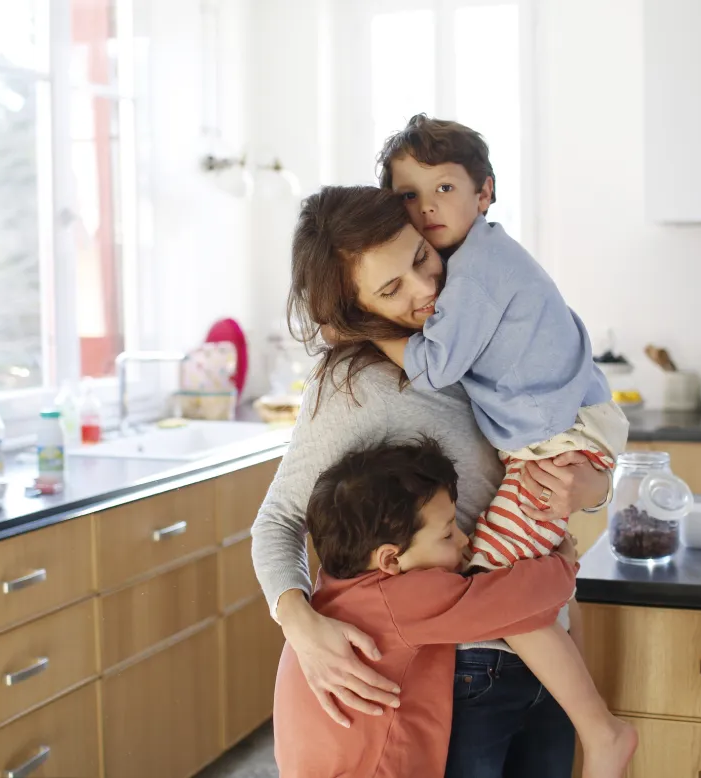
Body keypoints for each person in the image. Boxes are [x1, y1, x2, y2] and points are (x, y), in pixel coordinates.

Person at [253, 183, 610, 777]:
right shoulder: (354, 389)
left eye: (421, 257)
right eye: (391, 289)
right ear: (354, 309)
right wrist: (301, 624)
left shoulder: (483, 334)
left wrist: (594, 491)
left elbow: (565, 459)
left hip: (549, 643)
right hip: (464, 672)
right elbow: (278, 521)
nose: (426, 289)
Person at [368, 114, 637, 777]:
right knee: (536, 571)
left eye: (445, 188)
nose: (427, 207)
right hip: (561, 434)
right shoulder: (482, 259)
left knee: (493, 581)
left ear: (484, 192)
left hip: (557, 442)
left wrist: (360, 326)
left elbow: (431, 366)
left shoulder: (477, 274)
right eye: (409, 194)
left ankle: (601, 732)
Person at [273, 437, 580, 777]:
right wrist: (563, 565)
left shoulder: (329, 588)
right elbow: (512, 599)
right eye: (447, 534)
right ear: (390, 559)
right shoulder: (403, 598)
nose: (464, 539)